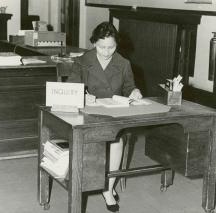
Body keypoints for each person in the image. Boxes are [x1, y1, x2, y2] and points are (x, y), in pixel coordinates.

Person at [68, 21, 142, 212]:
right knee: (95, 140)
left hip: (113, 114)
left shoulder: (123, 63)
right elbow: (71, 88)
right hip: (87, 114)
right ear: (94, 43)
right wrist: (82, 95)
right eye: (102, 47)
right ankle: (93, 181)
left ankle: (108, 189)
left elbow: (129, 86)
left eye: (111, 47)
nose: (107, 51)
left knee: (116, 141)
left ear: (117, 45)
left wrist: (134, 91)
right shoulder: (82, 61)